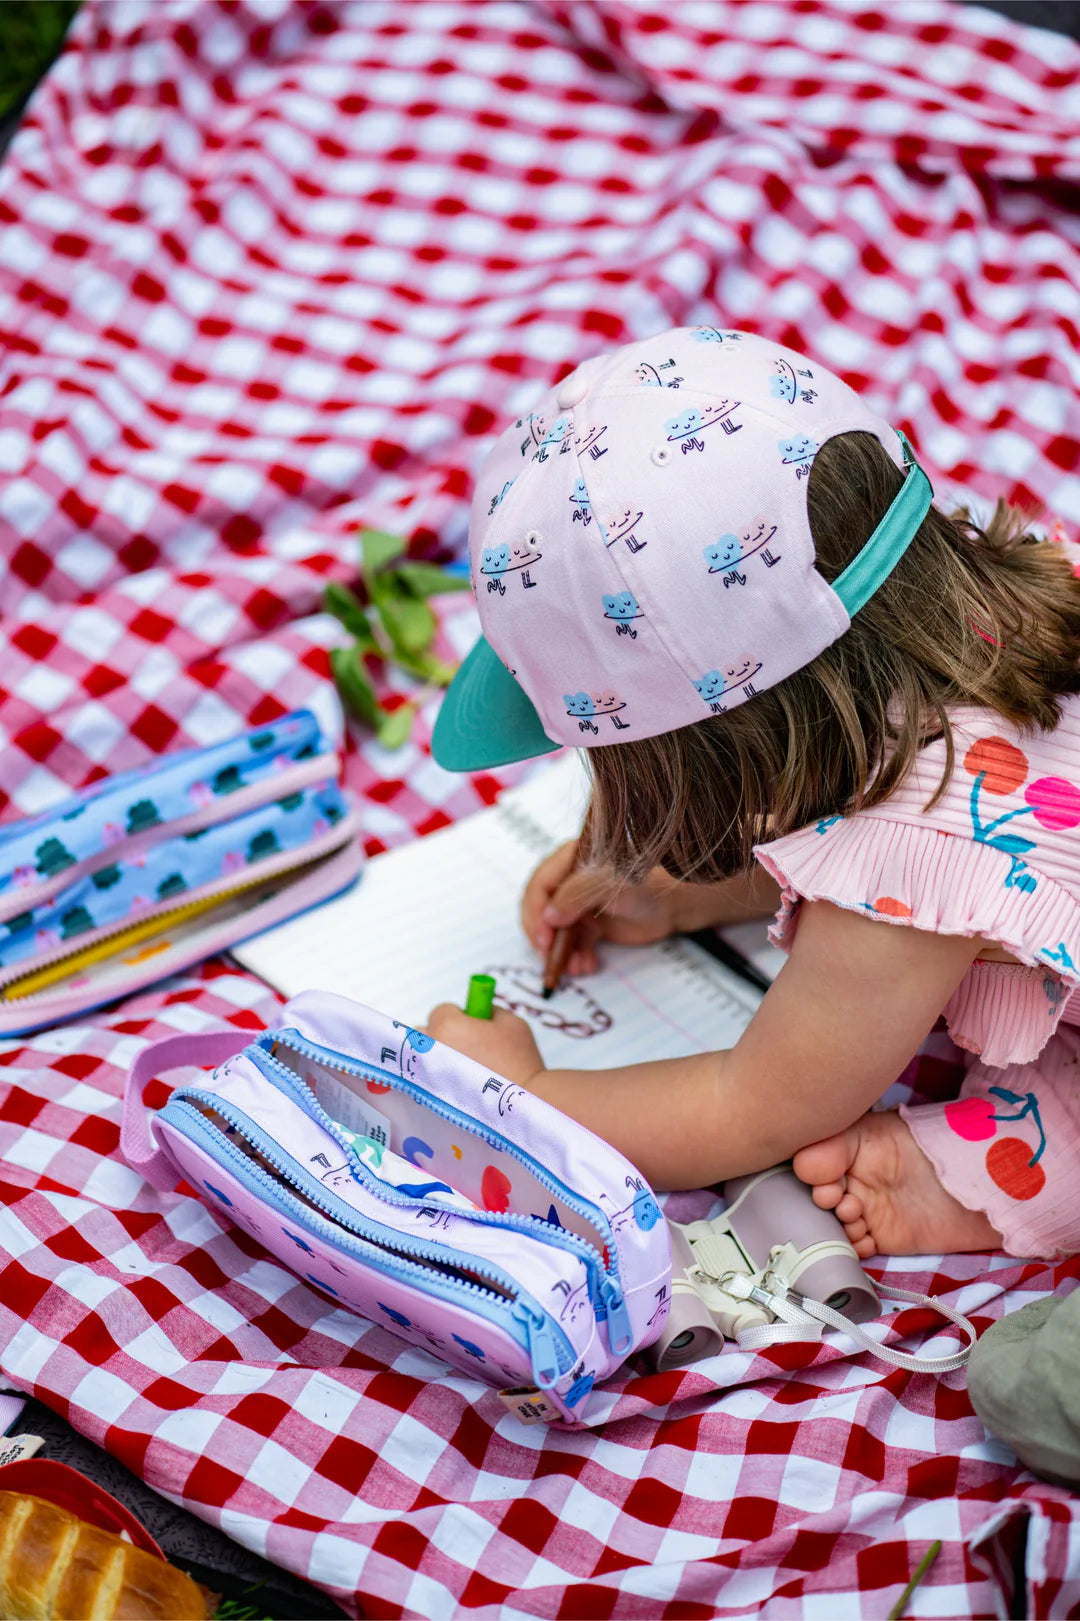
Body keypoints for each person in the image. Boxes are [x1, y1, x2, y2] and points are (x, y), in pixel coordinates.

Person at [425, 326, 1080, 1265]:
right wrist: (693, 892)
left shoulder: (919, 853)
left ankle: (982, 1191)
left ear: (717, 753)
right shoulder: (1004, 596)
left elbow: (756, 1105)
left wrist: (517, 1093)